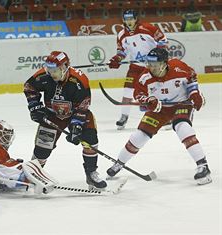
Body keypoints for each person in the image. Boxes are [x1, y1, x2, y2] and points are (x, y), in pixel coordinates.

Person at [106, 48, 211, 185]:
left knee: (183, 128)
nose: (151, 67)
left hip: (180, 105)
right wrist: (149, 102)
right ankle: (119, 163)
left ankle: (203, 166)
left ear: (164, 64)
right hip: (159, 109)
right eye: (149, 64)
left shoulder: (180, 68)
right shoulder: (145, 77)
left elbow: (191, 79)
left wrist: (194, 94)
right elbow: (139, 95)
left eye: (155, 64)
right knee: (139, 136)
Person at [23, 51, 107, 190]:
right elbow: (29, 87)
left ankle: (91, 173)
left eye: (55, 70)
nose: (51, 73)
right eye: (49, 69)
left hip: (76, 114)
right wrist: (35, 106)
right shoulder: (44, 75)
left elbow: (83, 106)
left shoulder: (79, 80)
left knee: (90, 138)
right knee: (42, 149)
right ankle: (31, 174)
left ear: (65, 67)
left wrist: (76, 127)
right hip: (52, 115)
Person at [108, 9, 168, 130]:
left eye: (131, 18)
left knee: (156, 91)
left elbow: (163, 41)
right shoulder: (121, 35)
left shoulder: (148, 28)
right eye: (126, 19)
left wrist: (156, 55)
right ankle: (124, 116)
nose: (129, 21)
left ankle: (164, 116)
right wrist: (117, 59)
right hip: (135, 67)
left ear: (136, 19)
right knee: (127, 90)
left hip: (152, 66)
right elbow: (121, 51)